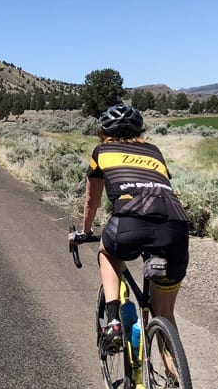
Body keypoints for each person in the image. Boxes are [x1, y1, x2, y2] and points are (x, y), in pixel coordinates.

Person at [81, 103, 190, 356]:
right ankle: (176, 386)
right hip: (175, 228)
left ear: (102, 131)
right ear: (140, 130)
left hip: (130, 224)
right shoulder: (154, 151)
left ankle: (113, 323)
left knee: (107, 251)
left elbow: (91, 201)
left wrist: (85, 231)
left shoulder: (102, 151)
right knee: (164, 313)